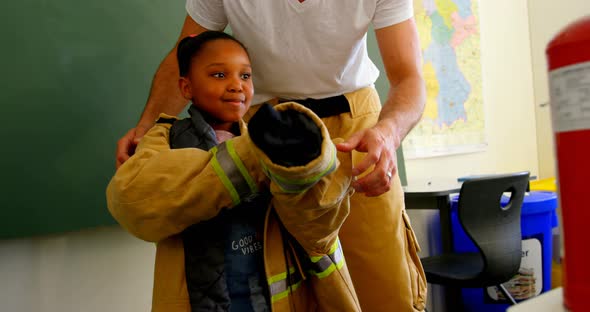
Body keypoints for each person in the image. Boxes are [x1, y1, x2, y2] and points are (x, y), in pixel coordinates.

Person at [115, 1, 427, 311]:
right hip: (263, 134)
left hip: (355, 133)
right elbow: (184, 55)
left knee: (386, 286)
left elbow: (409, 77)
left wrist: (388, 133)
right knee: (275, 278)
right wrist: (146, 126)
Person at [107, 31, 362, 311]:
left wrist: (309, 161)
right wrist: (252, 155)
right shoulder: (165, 139)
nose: (236, 86)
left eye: (245, 76)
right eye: (219, 75)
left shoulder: (269, 138)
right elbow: (132, 198)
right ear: (186, 87)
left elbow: (312, 223)